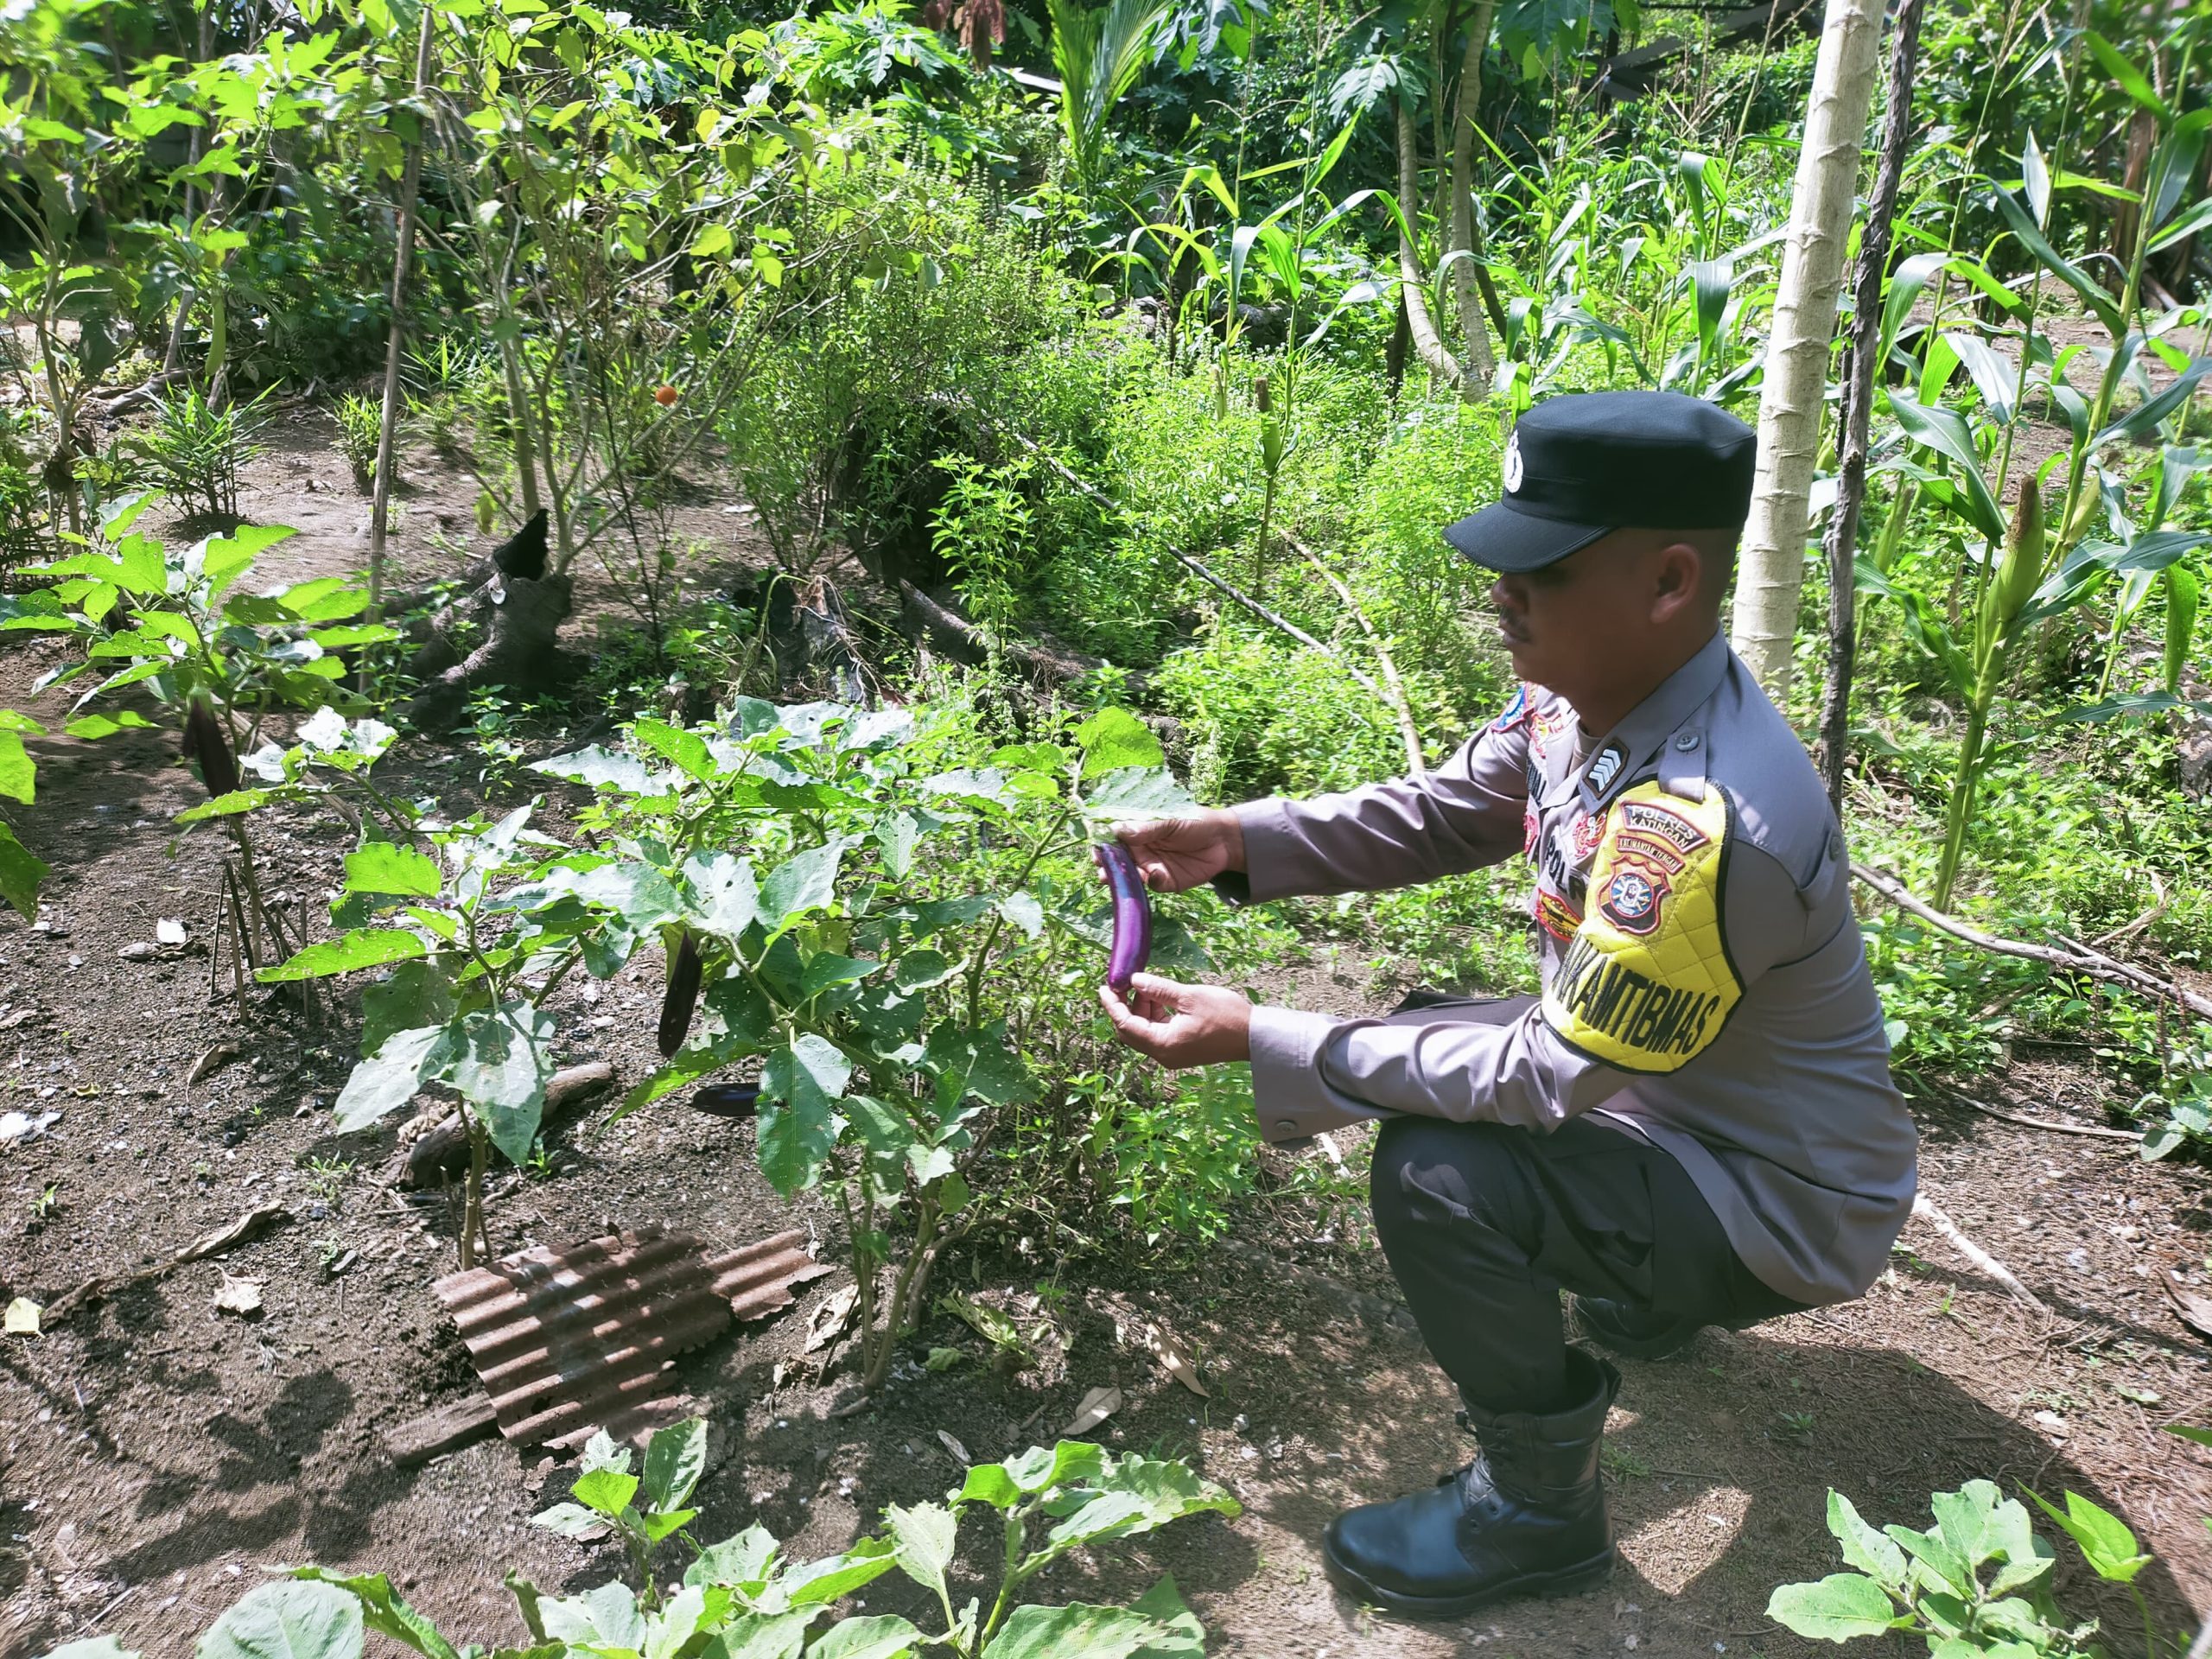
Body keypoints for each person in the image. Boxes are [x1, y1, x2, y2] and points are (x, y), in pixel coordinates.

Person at [1097, 390, 1920, 1621]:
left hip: (1776, 1194)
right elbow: (1447, 810)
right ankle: (1642, 1287)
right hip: (1673, 1108)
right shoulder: (1584, 696)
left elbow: (1543, 1078)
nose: (1504, 595)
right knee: (1431, 1025)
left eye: (1542, 568)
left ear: (1670, 583)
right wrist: (1237, 842)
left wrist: (1260, 1038)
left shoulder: (1704, 818)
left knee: (1438, 1169)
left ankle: (1535, 1512)